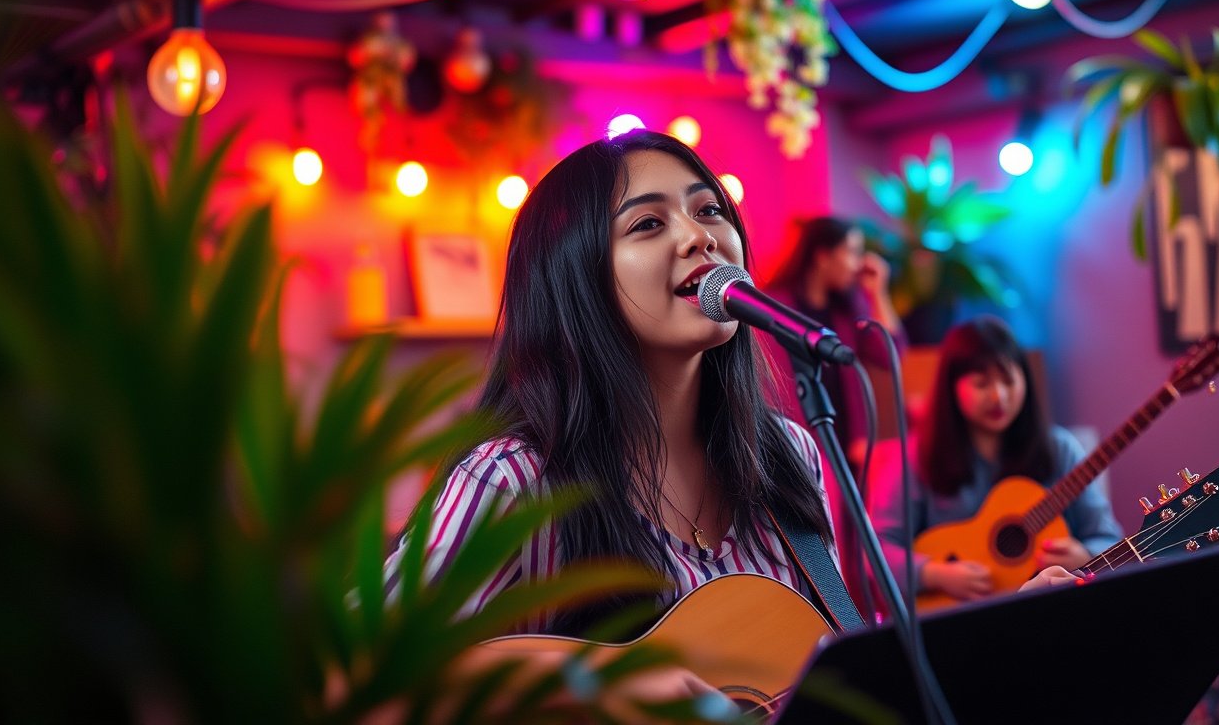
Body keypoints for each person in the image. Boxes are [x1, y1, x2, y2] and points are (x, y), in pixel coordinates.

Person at [384, 132, 1077, 719]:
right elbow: (361, 668)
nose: (699, 237)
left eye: (709, 210)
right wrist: (600, 681)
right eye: (647, 224)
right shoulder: (517, 479)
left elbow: (832, 681)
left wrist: (999, 637)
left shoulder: (787, 454)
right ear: (575, 280)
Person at [869, 315, 1124, 604]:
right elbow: (876, 550)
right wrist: (934, 574)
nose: (998, 396)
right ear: (952, 388)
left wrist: (1086, 555)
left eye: (1008, 380)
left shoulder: (1061, 449)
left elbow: (1108, 536)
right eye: (981, 383)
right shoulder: (914, 457)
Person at [762, 215, 906, 471]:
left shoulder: (847, 310)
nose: (858, 264)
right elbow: (771, 387)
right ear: (823, 256)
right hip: (796, 450)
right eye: (852, 252)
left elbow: (890, 355)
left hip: (847, 447)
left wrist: (878, 293)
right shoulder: (774, 309)